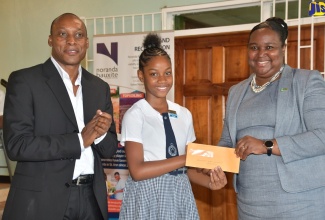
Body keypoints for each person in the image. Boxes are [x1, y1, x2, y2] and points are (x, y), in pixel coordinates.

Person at [3, 13, 118, 220]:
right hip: (42, 201)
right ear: (50, 39)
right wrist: (79, 140)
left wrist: (99, 134)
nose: (72, 41)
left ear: (86, 42)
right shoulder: (25, 81)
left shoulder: (99, 87)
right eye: (63, 34)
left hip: (91, 198)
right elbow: (17, 145)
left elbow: (109, 149)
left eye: (79, 35)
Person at [217, 17, 325, 219]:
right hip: (250, 202)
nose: (261, 54)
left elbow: (322, 136)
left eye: (270, 47)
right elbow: (227, 141)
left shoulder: (306, 81)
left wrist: (266, 145)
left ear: (284, 48)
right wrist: (212, 164)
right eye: (254, 47)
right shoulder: (236, 91)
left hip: (300, 202)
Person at [119, 33, 227, 220]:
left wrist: (211, 183)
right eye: (154, 74)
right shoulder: (135, 115)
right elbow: (137, 171)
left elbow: (189, 169)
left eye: (167, 73)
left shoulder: (184, 114)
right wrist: (186, 158)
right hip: (147, 196)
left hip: (179, 194)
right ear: (140, 75)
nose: (162, 80)